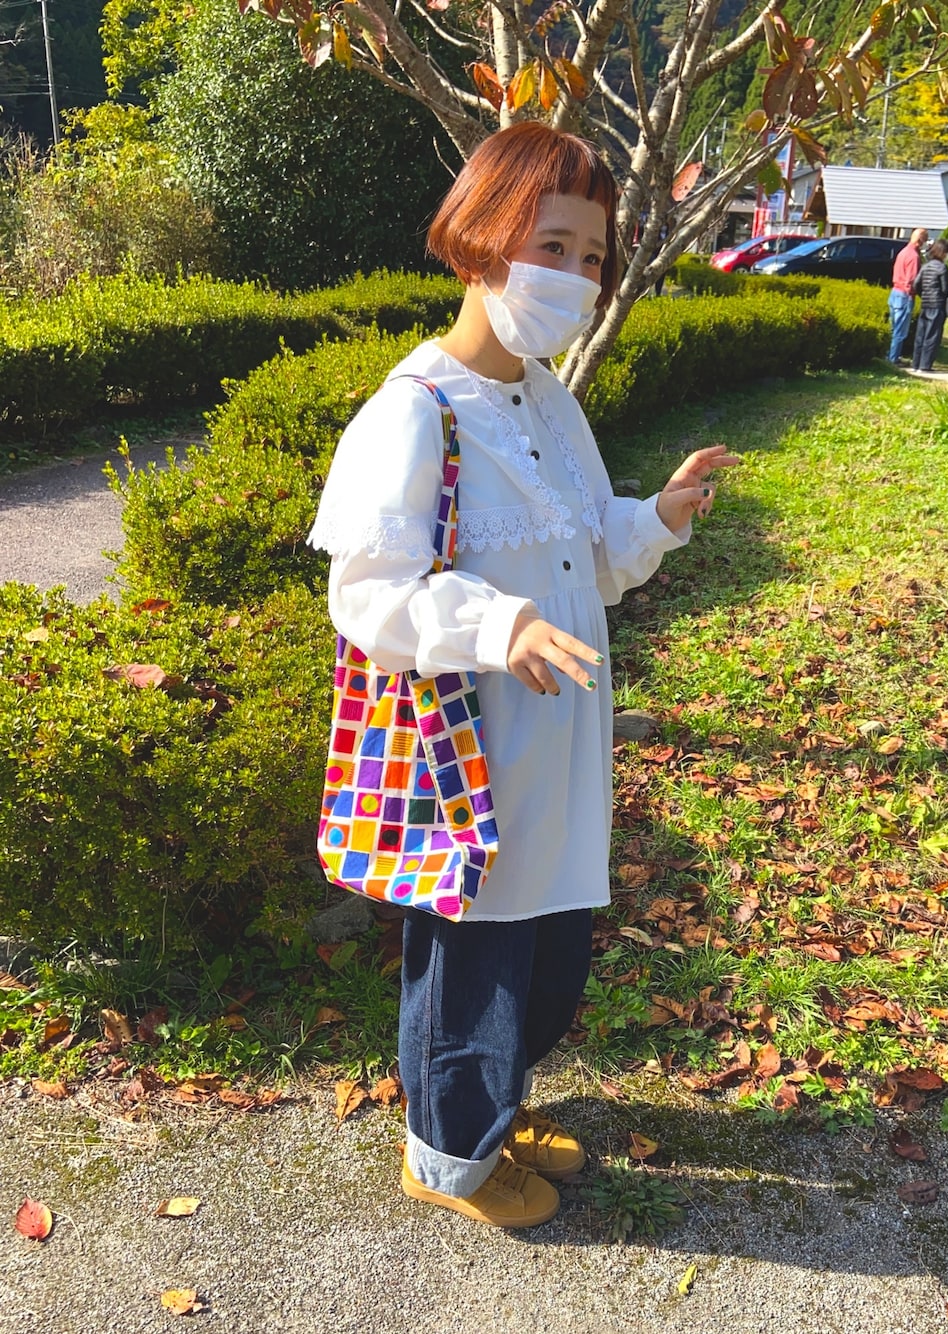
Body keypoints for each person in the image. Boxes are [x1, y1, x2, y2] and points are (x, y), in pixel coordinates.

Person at [307, 122, 738, 1229]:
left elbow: (588, 546)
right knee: (473, 968)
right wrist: (497, 626)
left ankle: (491, 1111)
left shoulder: (549, 401)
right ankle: (447, 1153)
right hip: (475, 758)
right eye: (552, 245)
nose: (575, 277)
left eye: (592, 255)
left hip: (561, 751)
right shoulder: (414, 411)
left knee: (544, 955)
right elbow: (367, 595)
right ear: (482, 238)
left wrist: (660, 514)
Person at [886, 226, 928, 364]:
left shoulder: (903, 252)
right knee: (900, 330)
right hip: (905, 295)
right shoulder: (914, 257)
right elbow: (911, 280)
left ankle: (890, 355)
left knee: (893, 328)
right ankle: (893, 358)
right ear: (920, 241)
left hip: (895, 292)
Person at [911, 239, 948, 374]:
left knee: (921, 335)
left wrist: (923, 295)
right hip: (937, 305)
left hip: (925, 304)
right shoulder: (942, 268)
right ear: (944, 253)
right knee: (932, 335)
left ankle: (916, 364)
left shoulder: (925, 266)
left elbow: (916, 284)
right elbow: (945, 289)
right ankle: (925, 365)